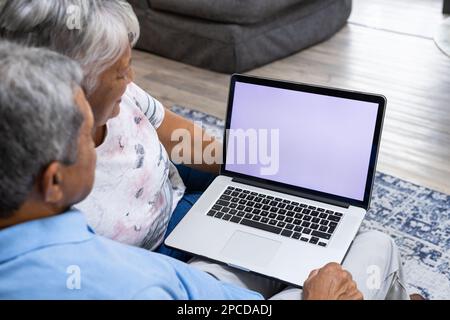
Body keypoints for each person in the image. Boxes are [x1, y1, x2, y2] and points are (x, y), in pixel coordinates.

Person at [0, 41, 363, 300]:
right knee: (372, 249)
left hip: (169, 192)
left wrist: (259, 157)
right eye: (86, 135)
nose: (103, 141)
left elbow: (183, 140)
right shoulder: (125, 278)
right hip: (200, 274)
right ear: (53, 180)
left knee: (265, 182)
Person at [0, 0, 219, 261]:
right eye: (121, 72)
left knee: (259, 173)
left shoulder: (123, 95)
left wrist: (242, 162)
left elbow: (182, 137)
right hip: (156, 250)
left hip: (170, 183)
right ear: (72, 83)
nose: (131, 78)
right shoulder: (40, 179)